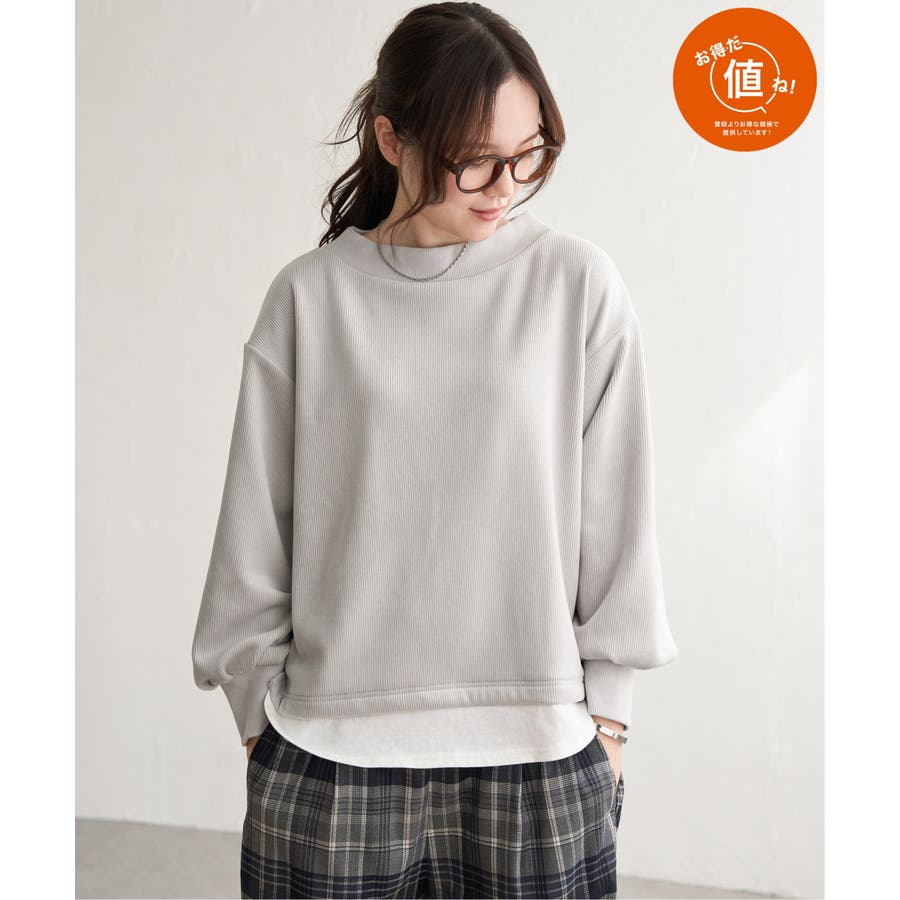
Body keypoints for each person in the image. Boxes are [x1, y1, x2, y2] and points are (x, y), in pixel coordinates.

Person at [191, 3, 678, 898]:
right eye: (475, 160)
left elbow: (619, 518)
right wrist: (260, 723)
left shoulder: (577, 287)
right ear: (392, 139)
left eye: (528, 154)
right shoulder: (309, 300)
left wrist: (609, 723)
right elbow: (255, 527)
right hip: (331, 757)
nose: (505, 185)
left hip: (539, 759)